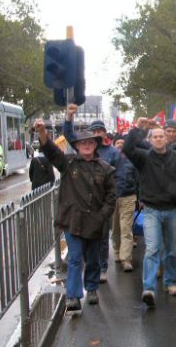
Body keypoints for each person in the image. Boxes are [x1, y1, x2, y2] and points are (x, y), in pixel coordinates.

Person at [34, 120, 116, 313]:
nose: (86, 145)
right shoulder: (68, 163)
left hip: (95, 222)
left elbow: (112, 197)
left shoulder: (106, 168)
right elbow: (51, 151)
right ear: (77, 146)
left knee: (93, 258)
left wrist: (102, 216)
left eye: (90, 142)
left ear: (95, 145)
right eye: (82, 143)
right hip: (72, 220)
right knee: (75, 258)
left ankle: (92, 288)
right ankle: (73, 296)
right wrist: (42, 132)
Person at [123, 119, 176, 308]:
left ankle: (170, 282)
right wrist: (139, 128)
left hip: (172, 210)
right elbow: (128, 148)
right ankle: (148, 288)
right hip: (152, 210)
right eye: (154, 136)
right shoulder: (144, 157)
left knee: (171, 250)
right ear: (150, 139)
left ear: (166, 138)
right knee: (153, 248)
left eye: (161, 136)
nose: (158, 139)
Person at [64, 104, 121, 283]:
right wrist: (68, 118)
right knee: (80, 252)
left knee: (102, 240)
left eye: (99, 130)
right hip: (81, 211)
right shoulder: (81, 151)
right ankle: (79, 289)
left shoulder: (112, 153)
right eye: (93, 130)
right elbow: (69, 135)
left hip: (100, 207)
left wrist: (105, 211)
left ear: (103, 135)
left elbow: (117, 179)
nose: (96, 133)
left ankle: (101, 268)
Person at [111, 136, 139, 273]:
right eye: (118, 143)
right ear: (114, 145)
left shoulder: (132, 162)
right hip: (112, 198)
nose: (120, 145)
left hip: (129, 197)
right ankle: (116, 251)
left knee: (126, 229)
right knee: (115, 228)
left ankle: (126, 258)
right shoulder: (109, 161)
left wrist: (140, 199)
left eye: (123, 143)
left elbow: (138, 180)